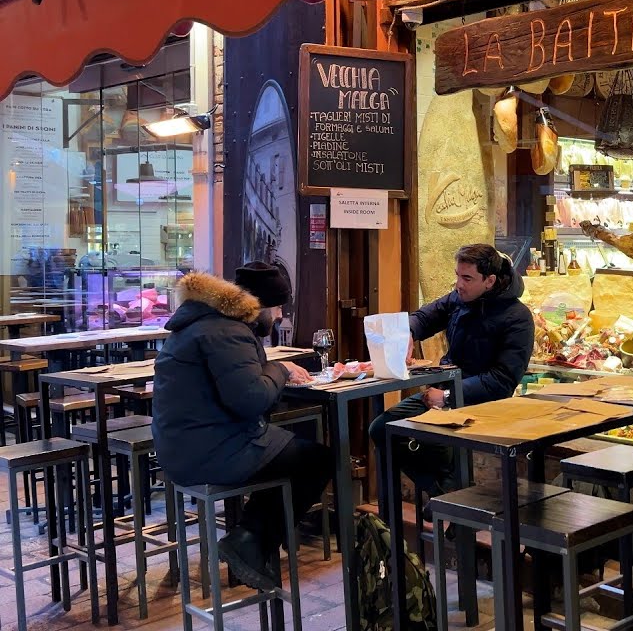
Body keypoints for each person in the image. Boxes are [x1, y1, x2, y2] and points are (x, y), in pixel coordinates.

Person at [152, 262, 331, 591]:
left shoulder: (208, 322)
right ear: (257, 305)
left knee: (292, 452)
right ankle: (248, 542)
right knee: (318, 459)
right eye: (276, 307)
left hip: (183, 445)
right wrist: (279, 370)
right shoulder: (228, 332)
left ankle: (251, 541)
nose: (278, 316)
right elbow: (250, 400)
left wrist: (272, 370)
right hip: (207, 451)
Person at [369, 244, 534, 496]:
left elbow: (502, 381)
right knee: (382, 429)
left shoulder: (517, 317)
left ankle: (453, 500)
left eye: (467, 278)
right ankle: (444, 493)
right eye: (457, 276)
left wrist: (447, 396)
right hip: (445, 391)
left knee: (432, 439)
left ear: (489, 280)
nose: (459, 284)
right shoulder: (459, 298)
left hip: (482, 402)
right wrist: (408, 333)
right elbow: (425, 317)